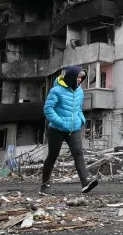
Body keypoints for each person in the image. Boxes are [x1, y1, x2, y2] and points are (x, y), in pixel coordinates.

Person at [40, 66, 98, 195]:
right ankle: (44, 186)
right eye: (77, 77)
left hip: (74, 128)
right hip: (57, 129)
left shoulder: (79, 92)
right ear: (71, 77)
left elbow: (78, 109)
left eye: (81, 78)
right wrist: (60, 122)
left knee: (78, 153)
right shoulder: (56, 91)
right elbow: (48, 109)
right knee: (52, 156)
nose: (79, 80)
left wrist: (81, 119)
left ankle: (85, 182)